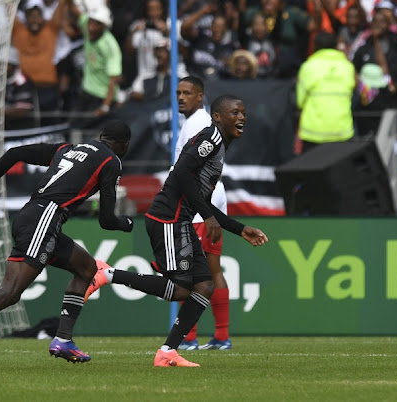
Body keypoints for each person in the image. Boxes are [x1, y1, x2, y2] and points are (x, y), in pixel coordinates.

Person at [84, 95, 268, 367]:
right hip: (168, 219)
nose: (241, 117)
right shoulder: (210, 139)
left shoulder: (217, 145)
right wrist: (207, 216)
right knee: (183, 289)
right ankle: (108, 274)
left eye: (243, 112)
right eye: (234, 112)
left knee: (203, 286)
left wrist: (239, 229)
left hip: (179, 220)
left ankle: (167, 352)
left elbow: (200, 197)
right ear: (217, 116)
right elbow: (180, 172)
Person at [0, 121, 135, 372]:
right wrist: (126, 223)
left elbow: (14, 154)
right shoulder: (111, 162)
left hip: (32, 215)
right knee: (10, 291)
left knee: (86, 268)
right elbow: (106, 220)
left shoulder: (67, 148)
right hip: (44, 219)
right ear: (124, 145)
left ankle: (63, 340)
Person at [173, 76, 234, 351]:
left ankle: (189, 337)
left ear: (200, 97)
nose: (181, 98)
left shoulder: (197, 122)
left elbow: (189, 168)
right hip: (214, 194)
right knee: (212, 268)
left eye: (187, 93)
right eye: (178, 93)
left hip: (200, 200)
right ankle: (221, 336)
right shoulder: (197, 122)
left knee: (188, 271)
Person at [296, 32, 355, 153]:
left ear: (315, 46)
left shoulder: (308, 67)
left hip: (312, 132)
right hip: (342, 131)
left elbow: (299, 101)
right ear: (335, 46)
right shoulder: (347, 66)